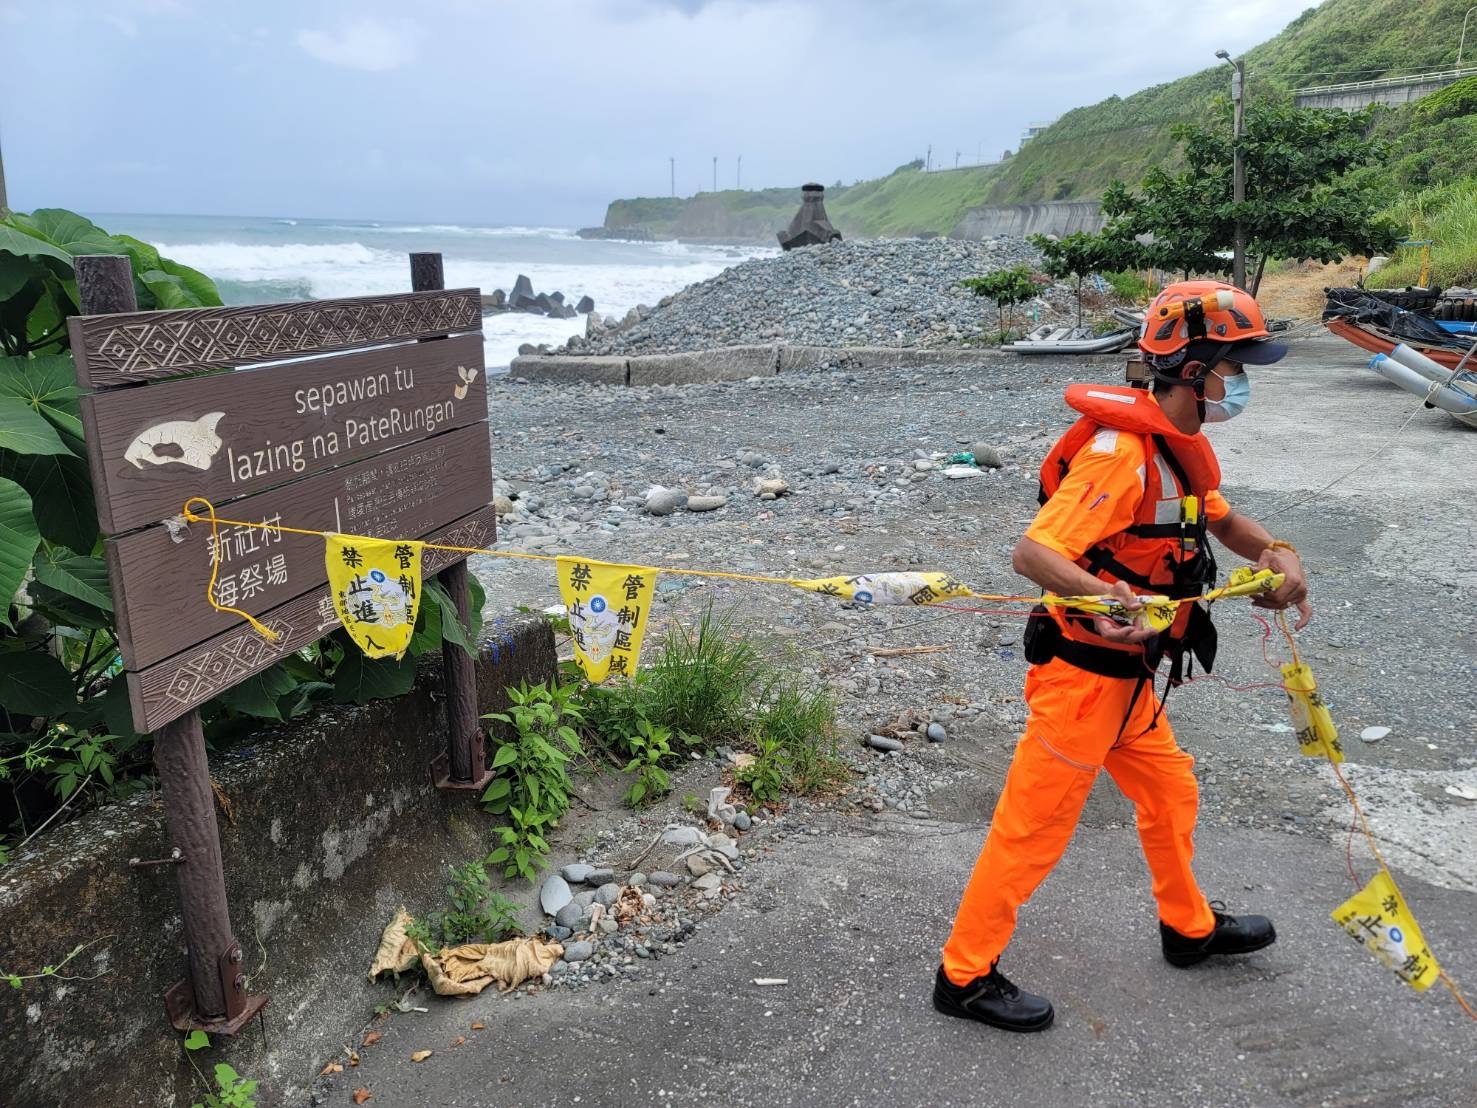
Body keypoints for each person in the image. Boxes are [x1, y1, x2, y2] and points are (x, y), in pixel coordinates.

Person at [933, 280, 1312, 1033]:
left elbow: (1224, 522)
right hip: (1081, 682)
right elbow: (1034, 553)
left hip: (1132, 686)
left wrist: (1277, 554)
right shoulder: (1116, 458)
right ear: (1193, 368)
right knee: (1032, 828)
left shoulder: (1175, 453)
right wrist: (1106, 602)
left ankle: (1187, 928)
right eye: (1233, 366)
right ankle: (963, 975)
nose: (1240, 382)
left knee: (1170, 794)